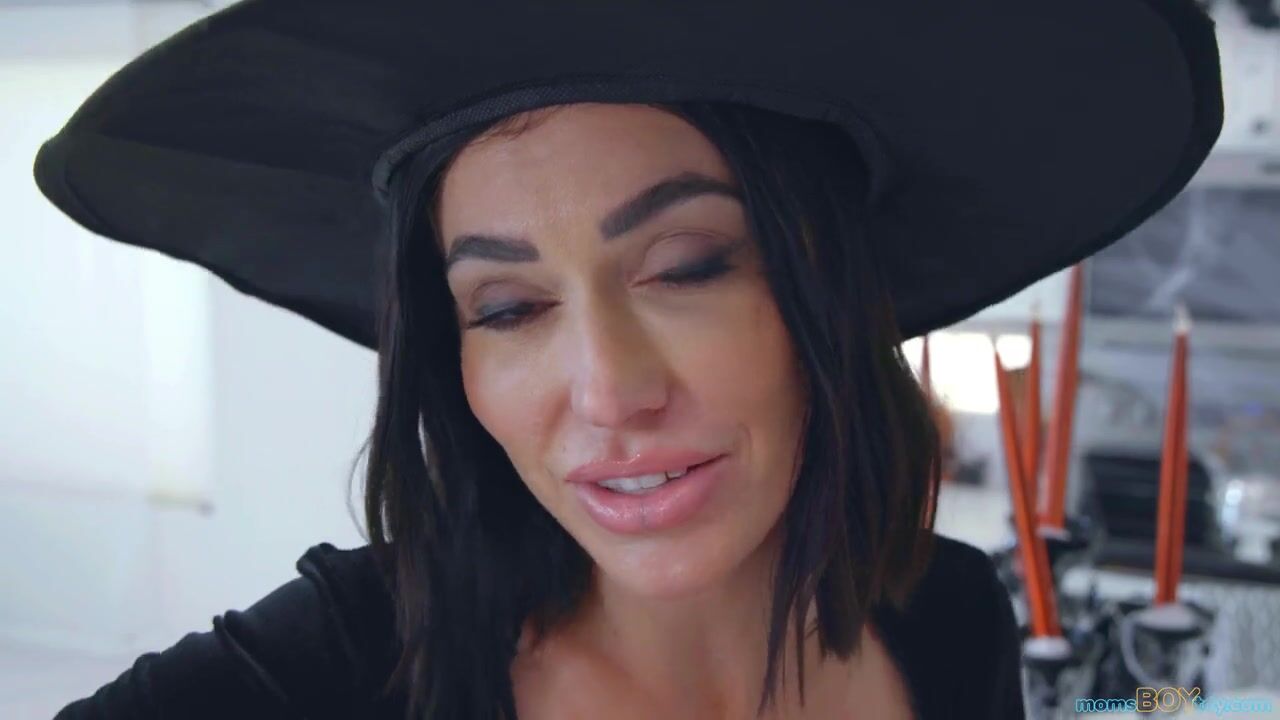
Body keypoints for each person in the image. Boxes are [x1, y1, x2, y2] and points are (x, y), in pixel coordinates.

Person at [34, 1, 1222, 718]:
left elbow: (1144, 699)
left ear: (823, 289)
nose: (606, 393)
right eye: (506, 308)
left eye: (686, 267)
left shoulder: (947, 613)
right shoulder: (346, 666)